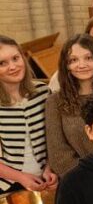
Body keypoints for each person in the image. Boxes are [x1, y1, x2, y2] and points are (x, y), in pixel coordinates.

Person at [45, 34, 93, 176]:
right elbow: (58, 154)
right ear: (66, 65)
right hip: (78, 181)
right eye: (73, 60)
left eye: (88, 58)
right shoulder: (54, 101)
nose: (81, 65)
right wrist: (89, 178)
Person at [0, 36, 56, 193]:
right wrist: (21, 177)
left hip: (48, 178)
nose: (12, 67)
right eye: (2, 63)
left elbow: (55, 137)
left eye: (15, 58)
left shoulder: (44, 93)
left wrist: (50, 167)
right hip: (8, 183)